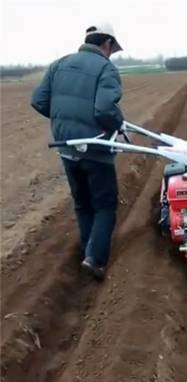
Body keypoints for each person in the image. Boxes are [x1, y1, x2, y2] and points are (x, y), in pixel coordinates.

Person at [31, 22, 124, 280]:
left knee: (83, 204)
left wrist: (66, 120)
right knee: (105, 205)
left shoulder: (59, 64)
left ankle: (87, 252)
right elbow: (105, 110)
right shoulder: (106, 68)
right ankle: (95, 259)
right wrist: (118, 124)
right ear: (106, 44)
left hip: (65, 148)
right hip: (96, 148)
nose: (111, 53)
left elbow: (38, 100)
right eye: (112, 49)